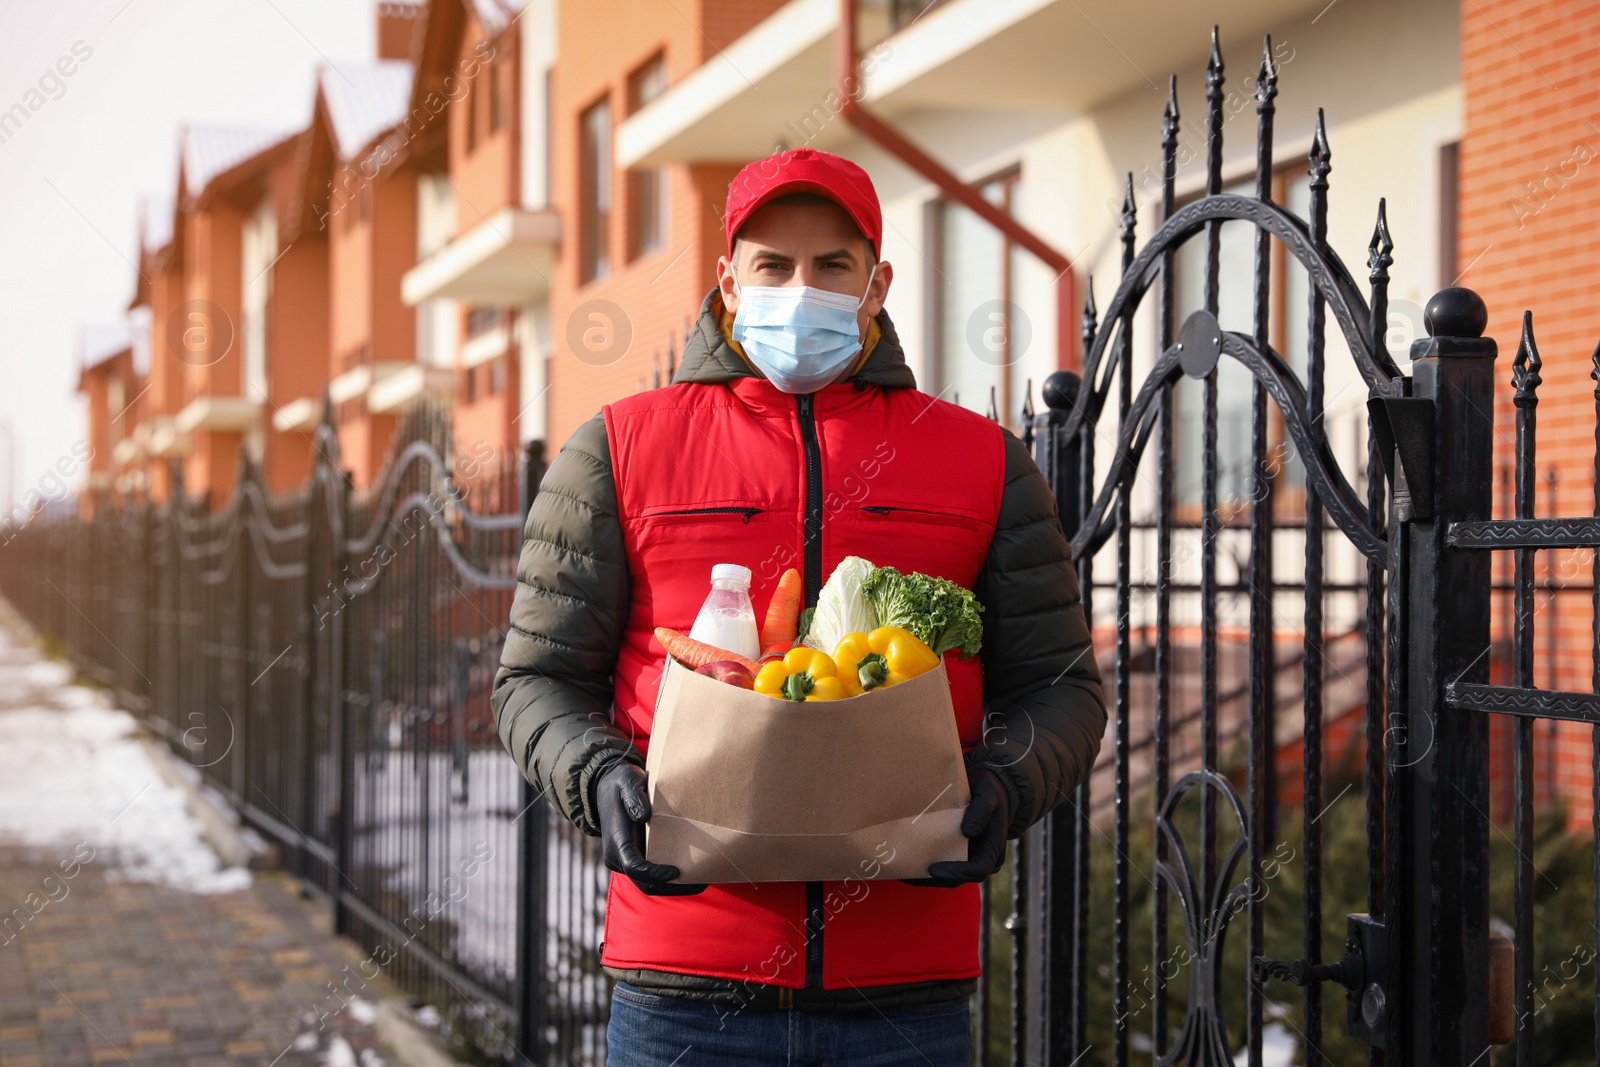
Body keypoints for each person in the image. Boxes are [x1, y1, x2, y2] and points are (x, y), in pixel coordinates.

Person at [491, 147, 1105, 1065]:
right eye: (773, 265)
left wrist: (1004, 785)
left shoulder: (981, 460)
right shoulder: (618, 449)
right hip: (686, 988)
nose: (800, 288)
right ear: (729, 282)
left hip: (907, 994)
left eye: (832, 266)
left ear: (877, 282)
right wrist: (599, 777)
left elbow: (1064, 688)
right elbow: (535, 678)